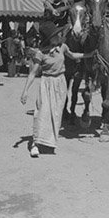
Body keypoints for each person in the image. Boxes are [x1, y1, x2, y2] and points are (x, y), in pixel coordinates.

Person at [20, 21, 85, 158]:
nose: (60, 36)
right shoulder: (40, 54)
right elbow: (32, 73)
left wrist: (88, 55)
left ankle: (48, 141)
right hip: (46, 82)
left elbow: (72, 55)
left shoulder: (63, 47)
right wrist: (25, 91)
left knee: (55, 113)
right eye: (57, 34)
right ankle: (35, 144)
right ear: (50, 38)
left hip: (60, 82)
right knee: (42, 111)